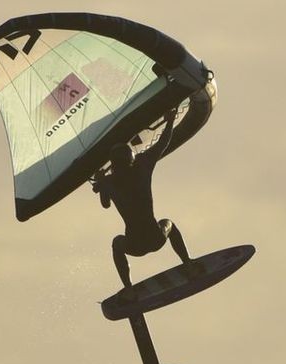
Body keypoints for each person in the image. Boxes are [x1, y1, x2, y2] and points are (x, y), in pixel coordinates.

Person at [91, 77, 213, 289]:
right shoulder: (142, 168)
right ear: (130, 159)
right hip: (156, 237)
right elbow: (163, 143)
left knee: (116, 243)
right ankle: (188, 262)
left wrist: (101, 183)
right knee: (169, 224)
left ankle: (128, 287)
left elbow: (105, 204)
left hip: (133, 244)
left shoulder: (110, 181)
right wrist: (169, 120)